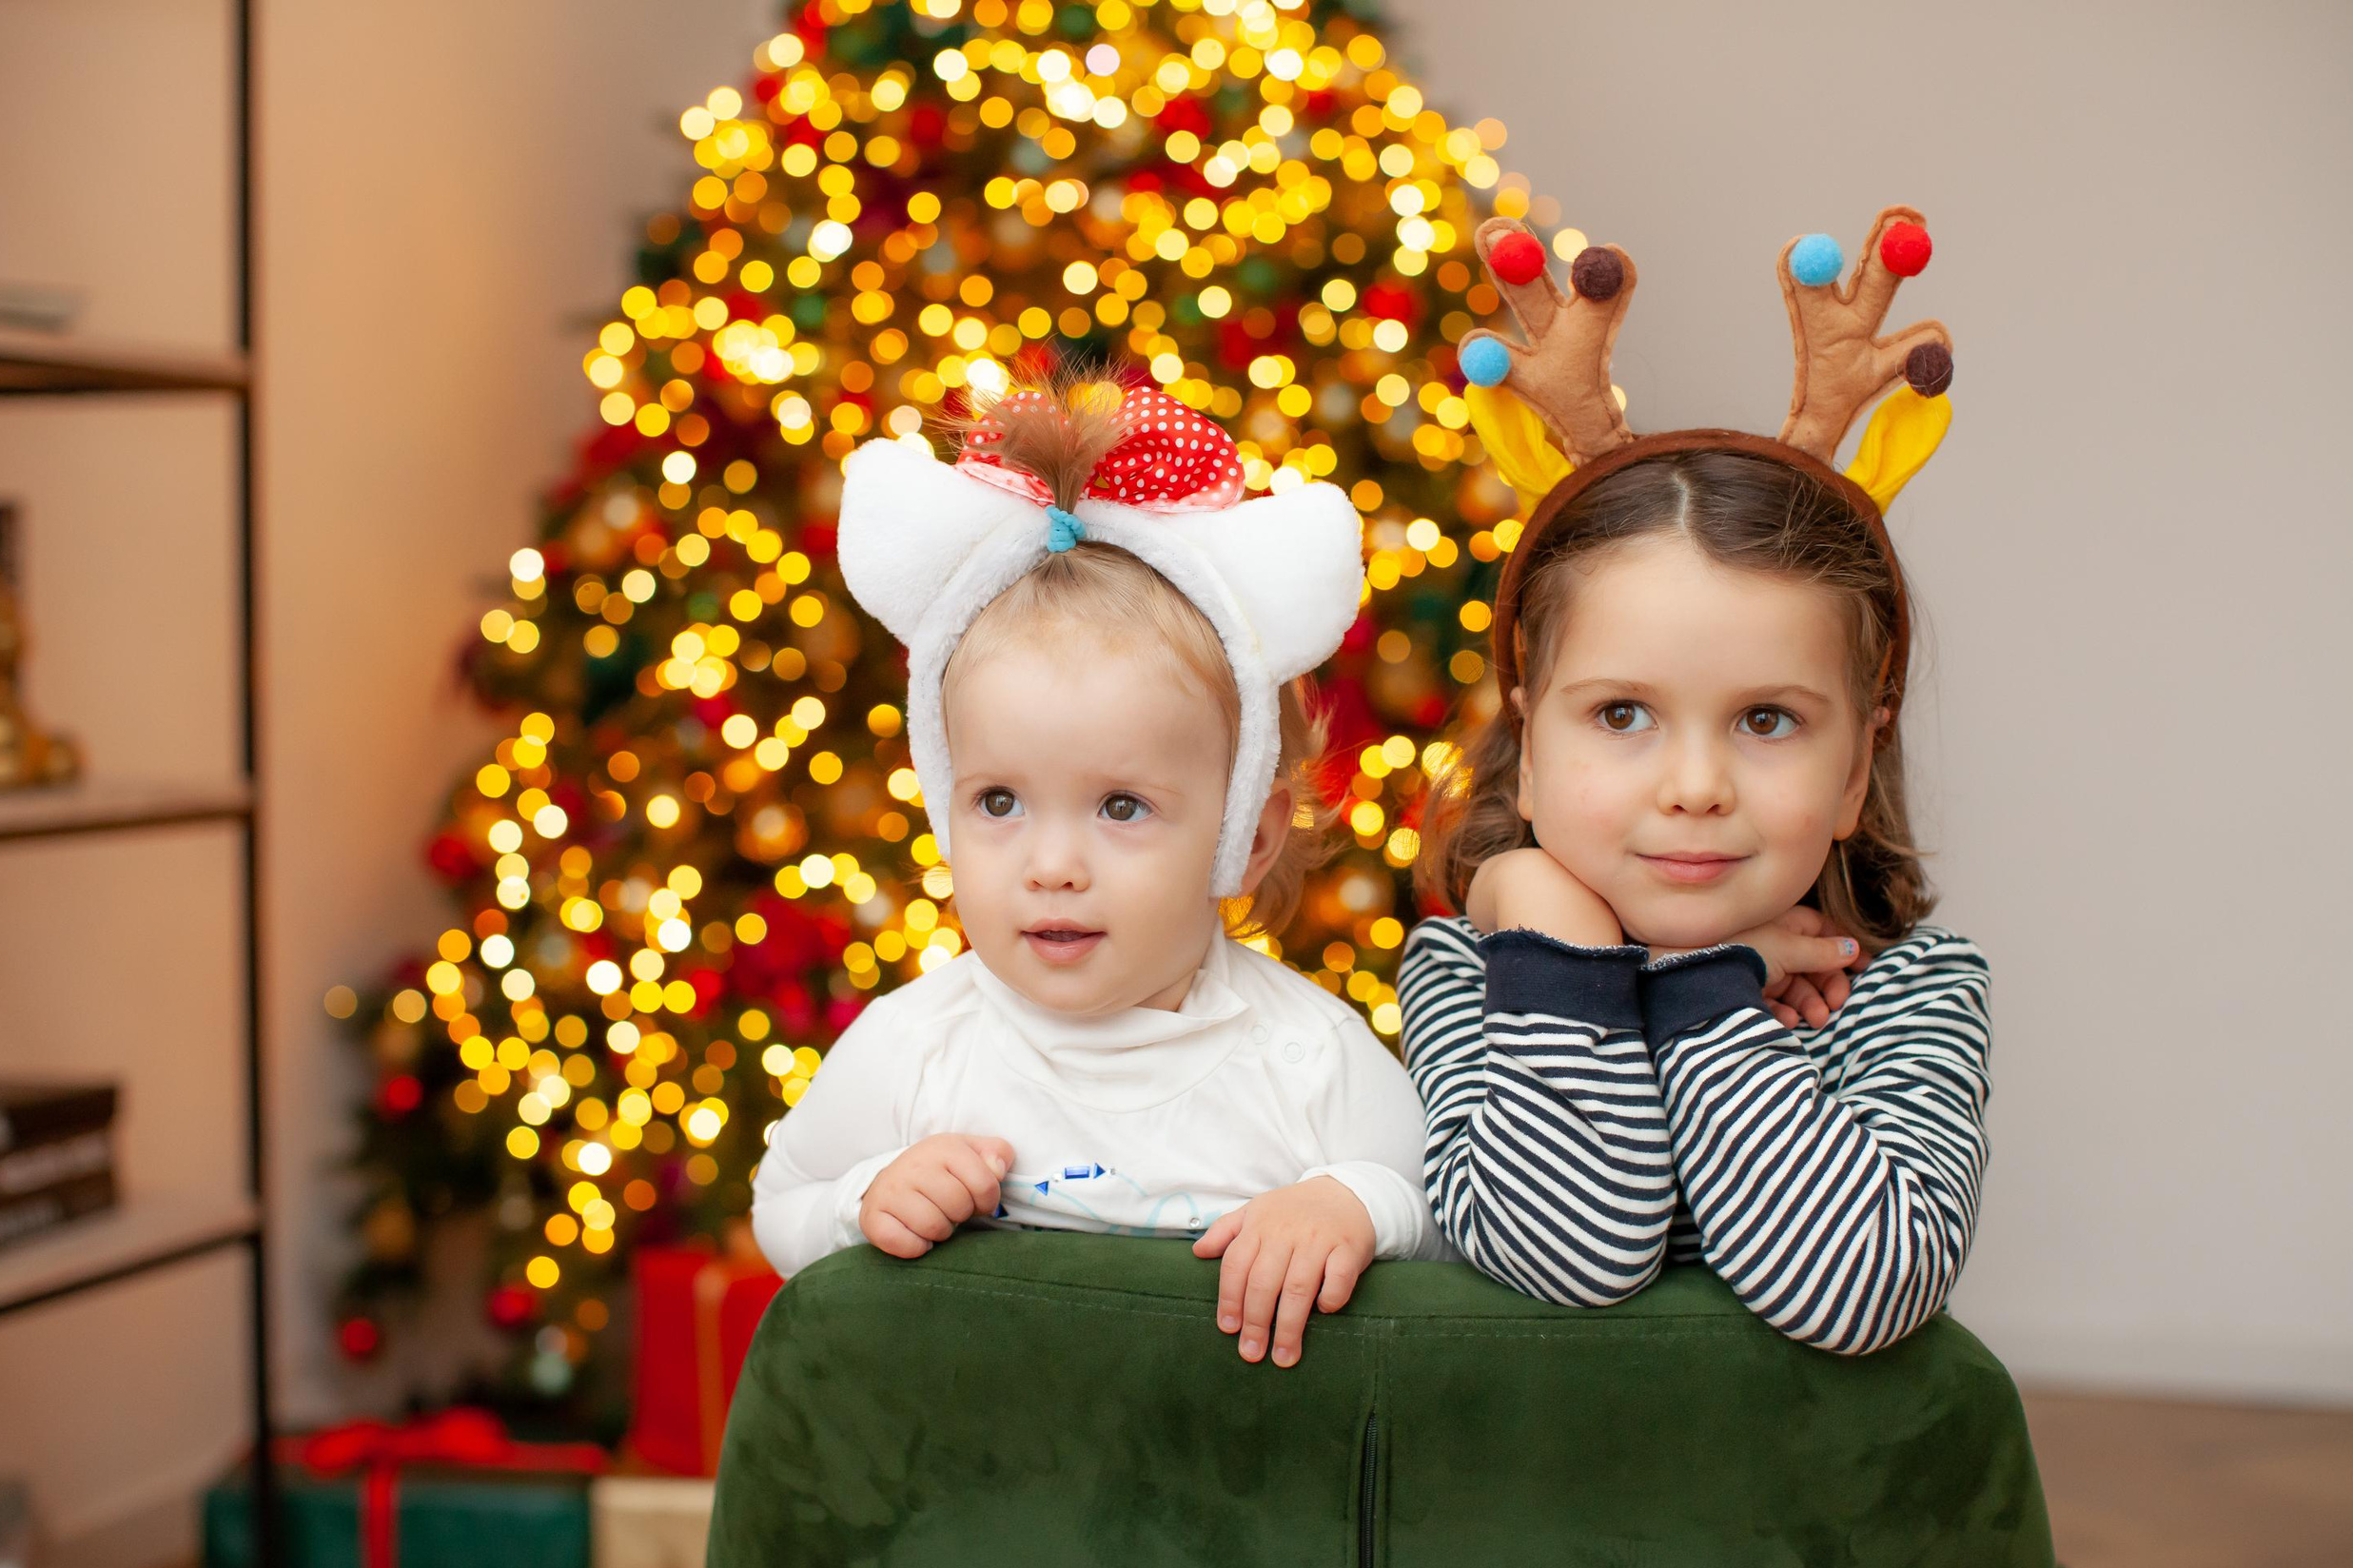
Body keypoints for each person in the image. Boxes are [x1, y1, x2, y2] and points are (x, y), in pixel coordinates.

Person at [753, 375, 1446, 1370]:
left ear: (1244, 838)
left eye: (1121, 807)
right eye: (999, 802)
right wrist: (860, 1202)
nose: (1051, 867)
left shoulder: (1307, 1060)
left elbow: (1449, 1220)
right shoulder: (917, 1047)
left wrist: (1356, 1204)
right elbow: (782, 1205)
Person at [1403, 206, 1990, 1354]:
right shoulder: (1479, 973)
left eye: (1766, 720)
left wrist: (1700, 1001)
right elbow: (1566, 1254)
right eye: (1621, 714)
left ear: (1855, 767)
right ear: (1530, 750)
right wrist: (1562, 944)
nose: (1693, 786)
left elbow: (1860, 1291)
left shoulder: (1907, 994)